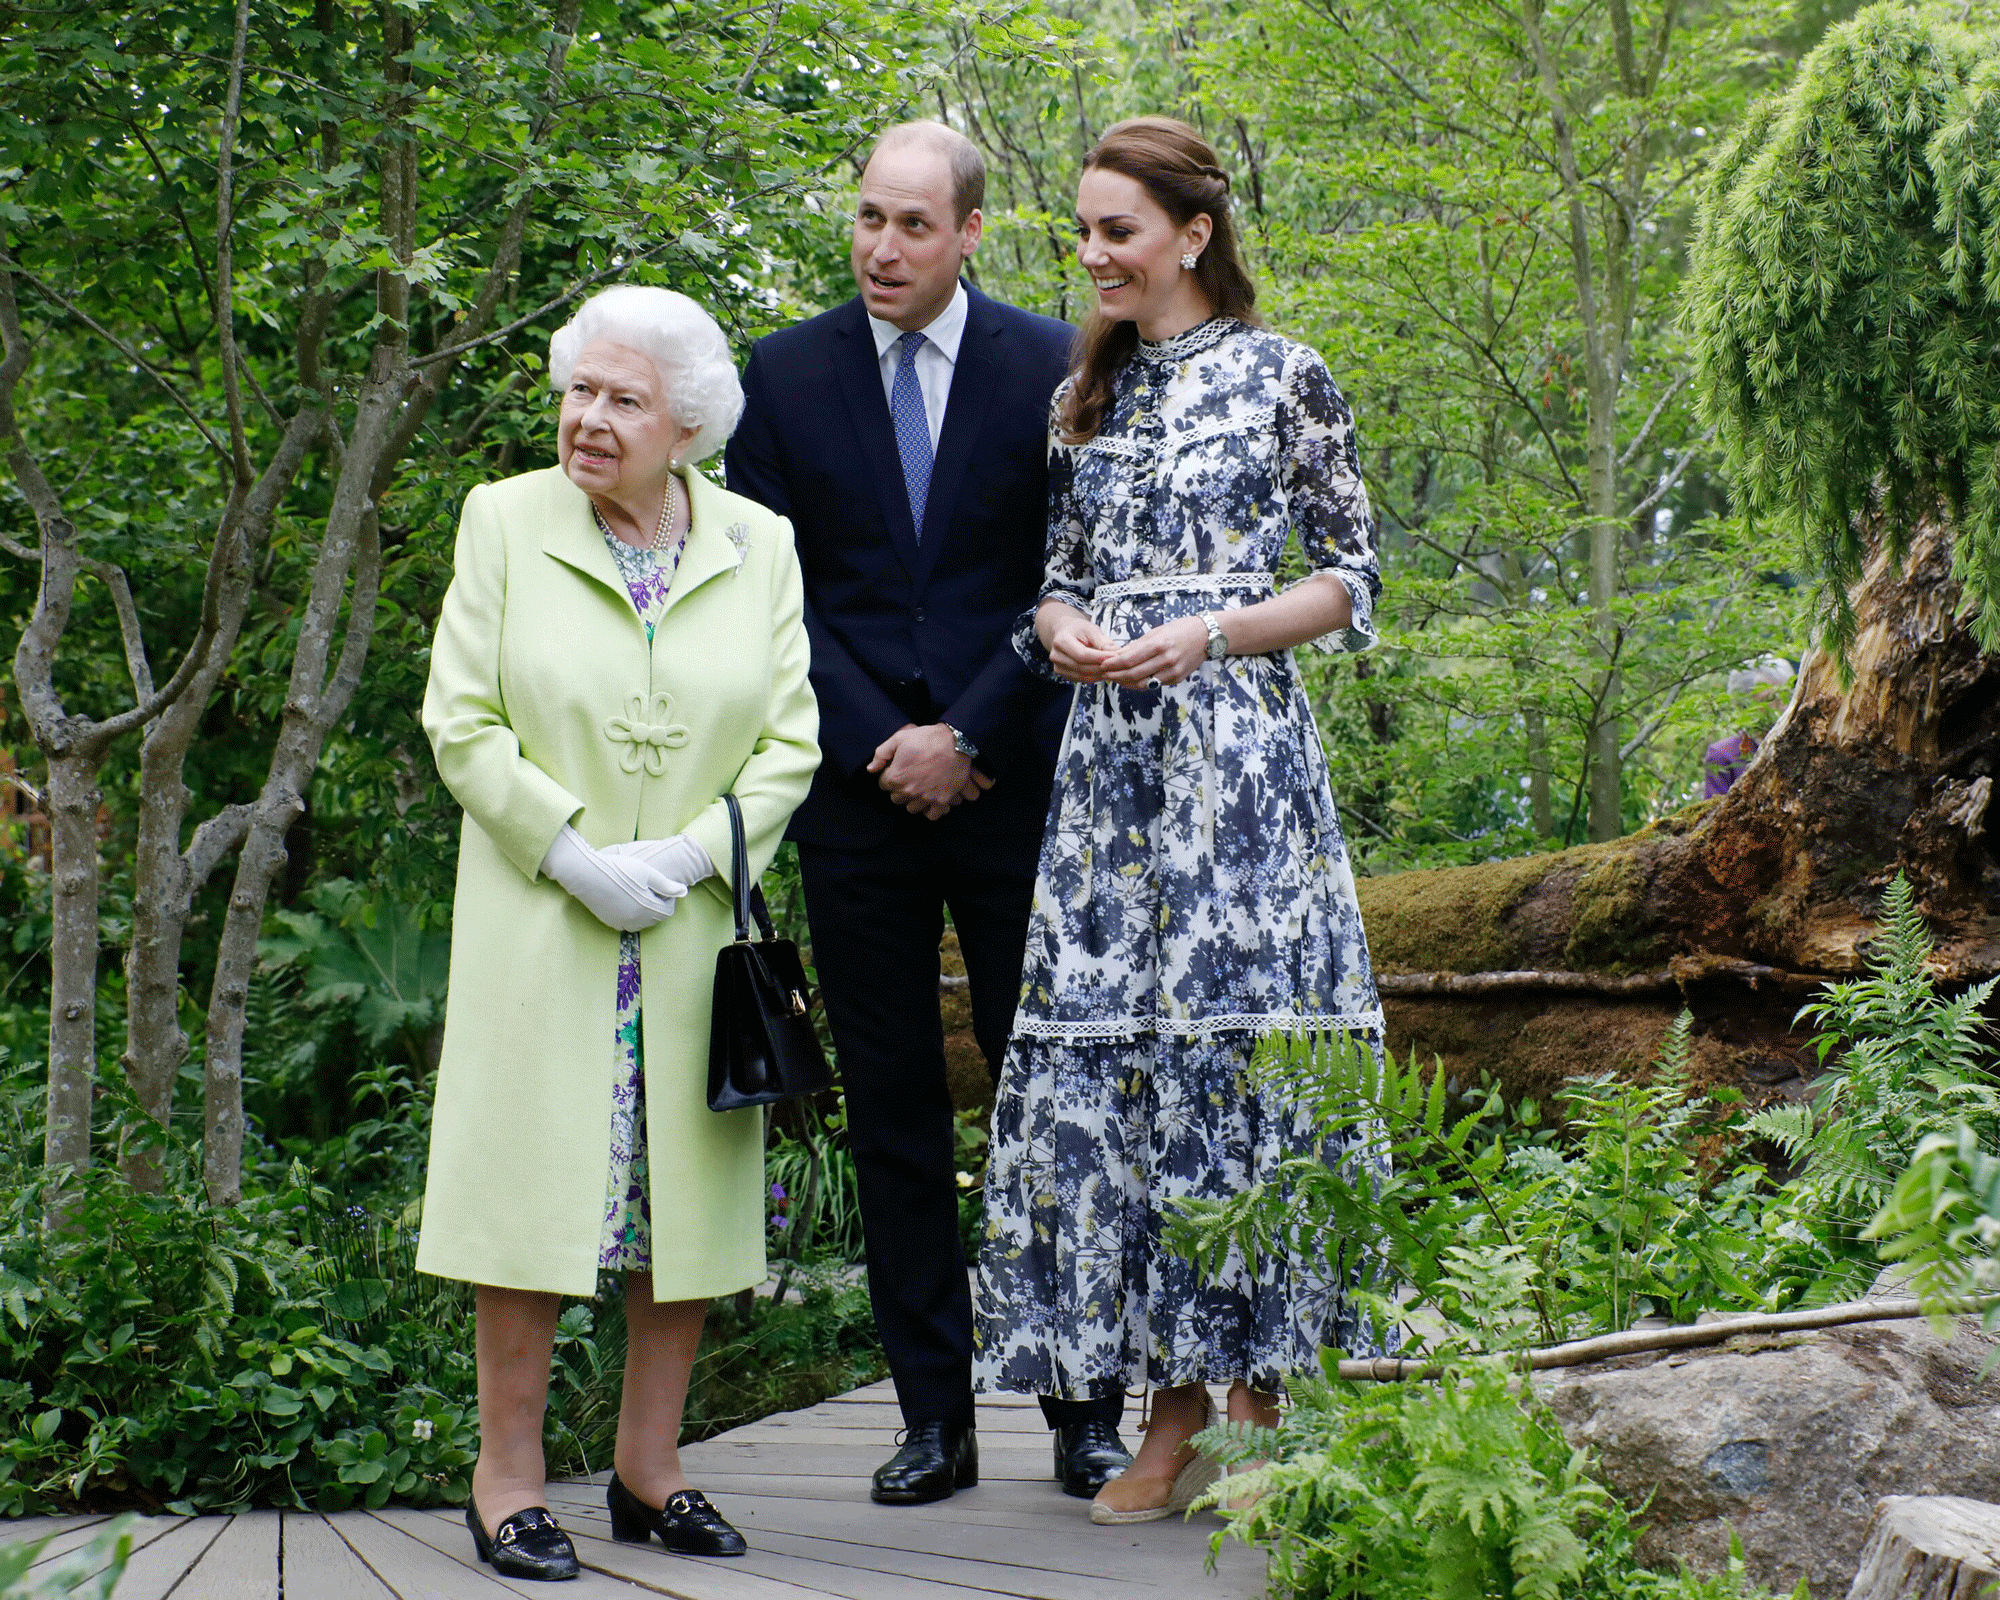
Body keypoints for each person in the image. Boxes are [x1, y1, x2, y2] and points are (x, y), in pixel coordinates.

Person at [971, 117, 1392, 1525]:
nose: (1091, 256)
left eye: (1117, 232)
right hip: (1111, 785)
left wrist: (1211, 633)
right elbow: (1051, 584)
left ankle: (1262, 1402)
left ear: (1193, 234)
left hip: (1240, 767)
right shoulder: (1082, 398)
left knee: (1240, 1059)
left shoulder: (1288, 379)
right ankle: (1168, 1414)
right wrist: (1071, 628)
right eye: (1081, 232)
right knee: (1132, 1074)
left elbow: (1348, 581)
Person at [725, 121, 1131, 1505]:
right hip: (857, 805)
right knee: (895, 1114)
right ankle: (933, 1422)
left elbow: (1074, 570)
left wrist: (969, 729)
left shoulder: (1056, 366)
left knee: (1055, 1102)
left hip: (1016, 784)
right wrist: (884, 739)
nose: (882, 248)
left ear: (969, 233)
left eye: (912, 225)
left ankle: (1086, 1413)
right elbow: (770, 597)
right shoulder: (779, 378)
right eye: (867, 220)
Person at [417, 285, 819, 1579]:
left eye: (622, 398)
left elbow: (791, 740)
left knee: (678, 1215)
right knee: (530, 1211)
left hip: (692, 932)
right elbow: (461, 720)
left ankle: (651, 1473)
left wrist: (696, 854)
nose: (587, 418)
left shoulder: (760, 543)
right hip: (548, 924)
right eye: (577, 389)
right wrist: (575, 854)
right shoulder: (505, 521)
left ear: (686, 423)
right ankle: (508, 1480)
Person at [1703, 656, 1794, 797]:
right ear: (1745, 705)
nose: (1783, 705)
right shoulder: (1723, 755)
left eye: (1787, 696)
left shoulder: (1804, 743)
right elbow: (1712, 815)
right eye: (1770, 698)